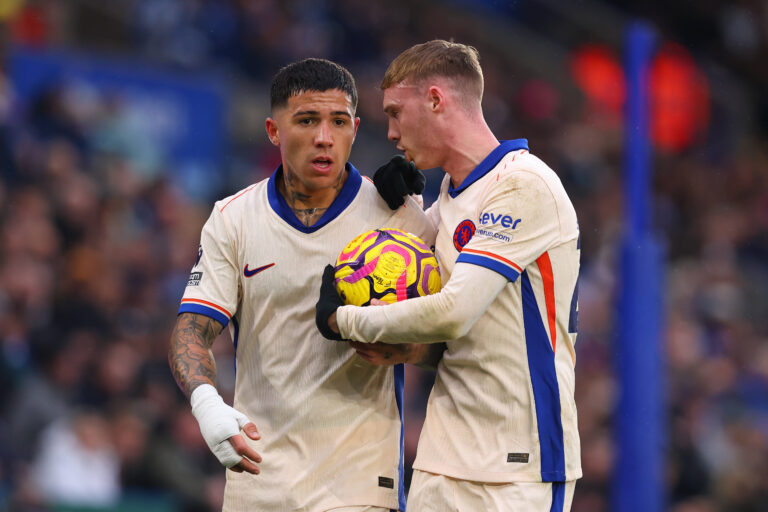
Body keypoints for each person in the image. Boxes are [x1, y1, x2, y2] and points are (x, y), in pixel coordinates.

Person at [316, 40, 582, 511]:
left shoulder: (524, 185)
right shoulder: (452, 194)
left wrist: (344, 322)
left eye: (397, 113)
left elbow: (453, 313)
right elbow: (451, 333)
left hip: (518, 464)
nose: (392, 131)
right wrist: (398, 206)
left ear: (436, 100)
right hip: (442, 458)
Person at [168, 58, 439, 512]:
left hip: (359, 484)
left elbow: (448, 337)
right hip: (258, 477)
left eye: (338, 122)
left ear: (355, 128)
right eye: (307, 120)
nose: (323, 137)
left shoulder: (400, 219)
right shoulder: (232, 218)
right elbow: (192, 328)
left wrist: (408, 350)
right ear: (274, 130)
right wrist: (206, 404)